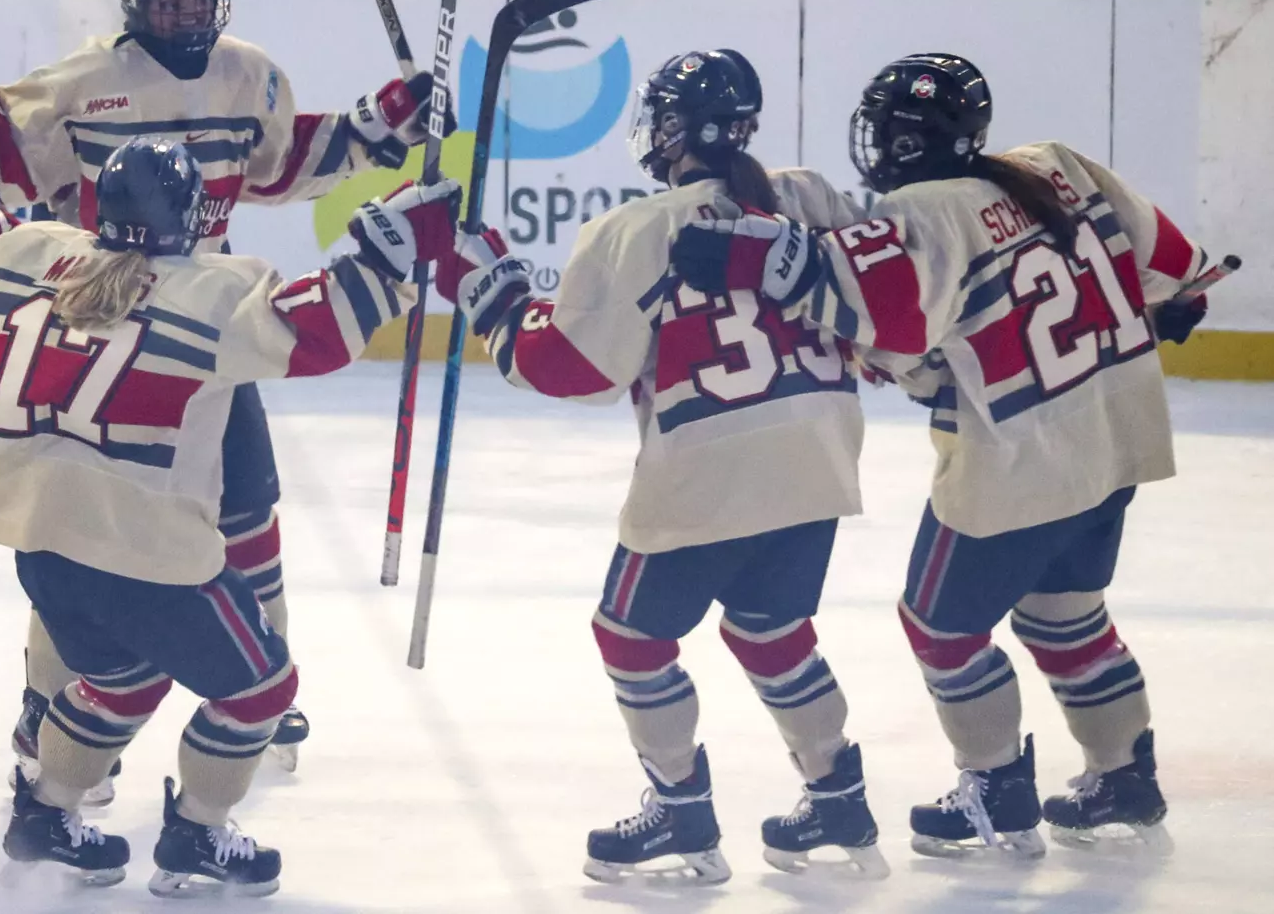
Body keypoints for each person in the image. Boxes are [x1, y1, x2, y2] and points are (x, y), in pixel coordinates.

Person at [0, 59, 459, 890]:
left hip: (37, 545)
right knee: (262, 691)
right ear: (194, 216)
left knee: (119, 677)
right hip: (146, 557)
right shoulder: (213, 291)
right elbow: (318, 332)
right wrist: (396, 248)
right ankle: (197, 831)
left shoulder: (27, 255)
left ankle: (45, 812)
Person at [672, 53, 1209, 857]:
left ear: (893, 139)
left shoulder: (920, 212)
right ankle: (1124, 774)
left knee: (939, 625)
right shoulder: (1053, 166)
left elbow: (891, 332)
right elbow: (1176, 267)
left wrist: (759, 258)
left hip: (1019, 462)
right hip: (1115, 436)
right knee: (1065, 617)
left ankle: (995, 790)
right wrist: (1170, 310)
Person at [0, 0, 447, 789]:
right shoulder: (82, 83)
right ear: (133, 0)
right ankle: (50, 702)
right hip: (95, 323)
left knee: (249, 511)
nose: (186, 12)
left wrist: (377, 128)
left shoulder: (248, 74)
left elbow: (281, 163)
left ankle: (262, 674)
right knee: (79, 530)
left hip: (193, 331)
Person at [434, 49, 887, 884]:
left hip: (708, 466)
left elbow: (570, 369)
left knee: (631, 636)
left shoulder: (634, 229)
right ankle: (838, 798)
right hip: (821, 452)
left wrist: (489, 288)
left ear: (670, 132)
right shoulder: (807, 195)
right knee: (771, 630)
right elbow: (883, 297)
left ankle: (680, 813)